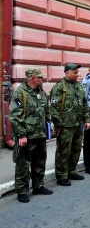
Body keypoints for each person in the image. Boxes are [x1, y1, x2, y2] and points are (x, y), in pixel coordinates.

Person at [9, 68, 53, 203]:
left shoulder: (41, 92)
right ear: (33, 78)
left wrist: (49, 127)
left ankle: (38, 186)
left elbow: (47, 111)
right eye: (40, 77)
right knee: (23, 164)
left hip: (40, 134)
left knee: (40, 161)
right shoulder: (19, 93)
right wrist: (21, 135)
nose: (43, 79)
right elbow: (15, 116)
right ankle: (22, 191)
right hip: (26, 136)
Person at [50, 63, 90, 187]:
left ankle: (72, 171)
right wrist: (58, 124)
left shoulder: (78, 87)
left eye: (77, 72)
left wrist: (87, 119)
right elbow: (54, 107)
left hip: (78, 124)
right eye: (74, 72)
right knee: (63, 151)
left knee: (76, 149)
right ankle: (61, 175)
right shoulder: (59, 87)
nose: (77, 74)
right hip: (65, 125)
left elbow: (85, 104)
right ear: (67, 73)